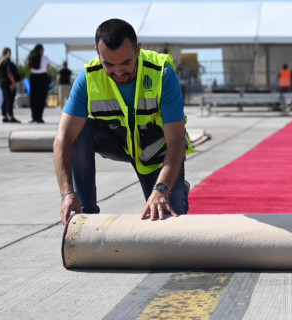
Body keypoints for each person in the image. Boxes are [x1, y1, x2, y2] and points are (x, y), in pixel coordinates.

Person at [53, 18, 195, 225]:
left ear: (138, 50)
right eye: (109, 64)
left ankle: (178, 189)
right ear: (97, 54)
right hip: (119, 142)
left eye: (126, 63)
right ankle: (86, 214)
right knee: (79, 134)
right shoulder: (88, 78)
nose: (118, 72)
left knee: (166, 222)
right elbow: (62, 139)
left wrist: (162, 188)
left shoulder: (161, 74)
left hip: (156, 152)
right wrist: (67, 194)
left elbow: (176, 142)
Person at [0, 47, 21, 123]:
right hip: (8, 83)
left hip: (3, 82)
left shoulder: (0, 62)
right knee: (10, 100)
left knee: (5, 99)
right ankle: (10, 115)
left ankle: (5, 116)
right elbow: (9, 72)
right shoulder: (7, 62)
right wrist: (13, 83)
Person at [26, 44, 50, 123]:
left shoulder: (31, 58)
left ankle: (34, 116)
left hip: (33, 77)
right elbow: (47, 68)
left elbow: (28, 68)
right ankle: (39, 117)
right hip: (43, 77)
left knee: (33, 98)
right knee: (41, 98)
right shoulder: (45, 58)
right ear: (41, 50)